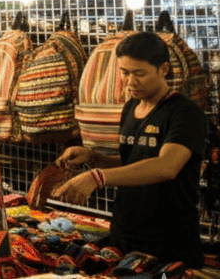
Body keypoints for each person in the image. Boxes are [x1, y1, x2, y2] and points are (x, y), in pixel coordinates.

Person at [53, 31, 207, 267]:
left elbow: (166, 166)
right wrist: (94, 158)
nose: (130, 81)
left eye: (140, 73)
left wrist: (97, 177)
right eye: (124, 73)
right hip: (124, 235)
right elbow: (133, 163)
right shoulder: (130, 108)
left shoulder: (184, 113)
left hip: (168, 244)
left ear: (163, 69)